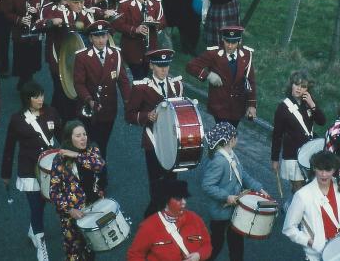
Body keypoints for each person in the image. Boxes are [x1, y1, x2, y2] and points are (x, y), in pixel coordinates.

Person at [1, 81, 61, 261]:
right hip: (29, 169)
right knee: (36, 207)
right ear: (27, 99)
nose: (40, 99)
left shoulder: (51, 112)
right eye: (36, 96)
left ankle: (32, 230)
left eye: (41, 95)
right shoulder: (17, 119)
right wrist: (6, 174)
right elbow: (9, 147)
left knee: (42, 204)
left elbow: (61, 136)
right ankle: (41, 248)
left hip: (49, 167)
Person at [125, 49, 182, 217]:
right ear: (151, 66)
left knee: (171, 182)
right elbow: (129, 115)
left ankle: (164, 214)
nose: (164, 70)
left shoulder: (177, 84)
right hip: (153, 141)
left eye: (166, 66)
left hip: (172, 142)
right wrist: (145, 116)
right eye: (159, 66)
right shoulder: (141, 87)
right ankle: (152, 217)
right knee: (157, 183)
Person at [73, 20, 131, 185]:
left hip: (108, 110)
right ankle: (86, 177)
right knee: (87, 144)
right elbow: (79, 83)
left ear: (108, 36)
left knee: (102, 145)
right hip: (87, 110)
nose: (100, 40)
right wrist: (89, 100)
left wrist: (129, 103)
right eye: (97, 37)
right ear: (90, 38)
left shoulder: (116, 54)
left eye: (103, 36)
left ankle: (100, 177)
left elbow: (123, 81)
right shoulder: (82, 56)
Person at [202, 122, 268, 261]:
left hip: (234, 210)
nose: (237, 140)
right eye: (236, 137)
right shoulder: (219, 161)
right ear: (231, 140)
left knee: (236, 243)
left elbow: (243, 175)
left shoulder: (232, 154)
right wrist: (227, 197)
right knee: (216, 244)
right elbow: (207, 185)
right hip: (220, 212)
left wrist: (259, 189)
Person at [282, 151, 340, 261]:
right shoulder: (302, 195)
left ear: (334, 170)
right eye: (320, 169)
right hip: (316, 254)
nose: (324, 174)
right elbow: (289, 228)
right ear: (314, 169)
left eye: (328, 170)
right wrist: (310, 242)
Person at [49, 120, 105, 261]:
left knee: (92, 248)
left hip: (92, 207)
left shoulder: (92, 150)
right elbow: (54, 192)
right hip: (72, 214)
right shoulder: (59, 160)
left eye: (84, 134)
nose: (83, 138)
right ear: (69, 138)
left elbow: (99, 166)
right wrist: (69, 210)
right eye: (78, 135)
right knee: (73, 252)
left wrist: (76, 155)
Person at [186, 26, 256, 128]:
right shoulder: (213, 54)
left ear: (239, 41)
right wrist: (208, 75)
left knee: (231, 136)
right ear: (223, 39)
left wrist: (251, 105)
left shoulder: (246, 55)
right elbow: (190, 66)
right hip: (220, 106)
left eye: (234, 42)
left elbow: (251, 81)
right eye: (227, 42)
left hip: (237, 106)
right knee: (223, 136)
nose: (230, 46)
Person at [127, 179, 212, 261]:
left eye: (184, 198)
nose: (184, 202)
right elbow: (134, 255)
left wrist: (199, 255)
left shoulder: (194, 218)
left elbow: (207, 244)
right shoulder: (148, 227)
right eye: (179, 199)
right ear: (166, 202)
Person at [271, 70, 326, 194]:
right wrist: (275, 159)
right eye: (296, 84)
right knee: (299, 190)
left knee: (309, 188)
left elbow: (322, 121)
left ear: (307, 89)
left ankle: (293, 207)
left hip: (310, 152)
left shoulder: (309, 103)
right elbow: (277, 135)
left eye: (303, 86)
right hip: (292, 154)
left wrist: (312, 104)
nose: (299, 89)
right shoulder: (283, 107)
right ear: (291, 84)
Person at [35, 0, 75, 122]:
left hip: (73, 53)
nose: (67, 1)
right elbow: (38, 24)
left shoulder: (73, 8)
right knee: (59, 86)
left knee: (70, 84)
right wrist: (51, 21)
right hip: (56, 54)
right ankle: (53, 116)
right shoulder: (48, 8)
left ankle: (67, 114)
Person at [114, 0, 166, 80]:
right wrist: (135, 29)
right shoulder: (125, 5)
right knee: (139, 79)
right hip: (132, 50)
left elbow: (163, 22)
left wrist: (155, 22)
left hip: (150, 50)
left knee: (149, 81)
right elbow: (118, 24)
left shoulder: (156, 4)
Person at [4, 0, 45, 90]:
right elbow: (7, 13)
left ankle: (28, 79)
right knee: (21, 59)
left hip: (34, 33)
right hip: (20, 34)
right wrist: (20, 20)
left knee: (33, 59)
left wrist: (37, 12)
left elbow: (46, 10)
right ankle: (24, 80)